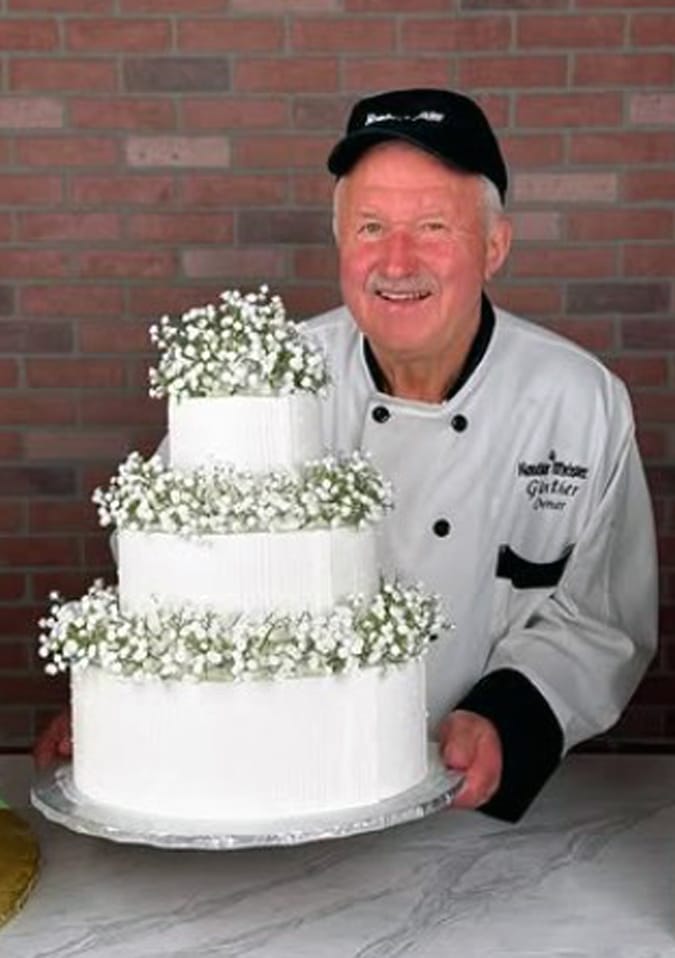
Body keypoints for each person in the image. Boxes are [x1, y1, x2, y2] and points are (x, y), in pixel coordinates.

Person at [35, 88, 658, 823]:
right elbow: (175, 577)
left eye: (432, 226)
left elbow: (598, 617)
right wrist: (137, 720)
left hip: (470, 819)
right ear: (339, 243)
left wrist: (505, 722)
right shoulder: (259, 386)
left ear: (493, 246)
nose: (396, 262)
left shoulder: (576, 402)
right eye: (370, 227)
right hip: (259, 796)